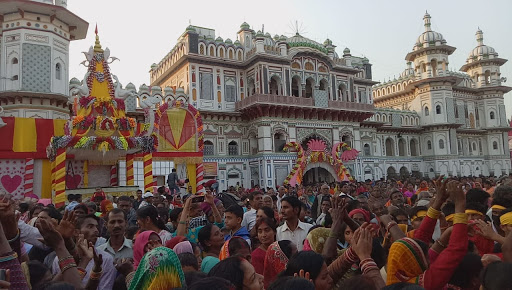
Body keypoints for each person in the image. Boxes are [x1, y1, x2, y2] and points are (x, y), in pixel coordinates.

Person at [51, 214, 116, 290]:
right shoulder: (59, 259)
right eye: (90, 226)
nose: (96, 230)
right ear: (76, 232)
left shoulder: (105, 259)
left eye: (96, 227)